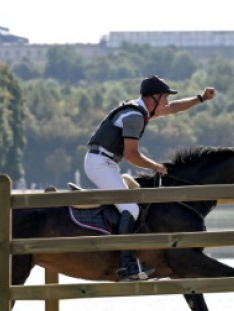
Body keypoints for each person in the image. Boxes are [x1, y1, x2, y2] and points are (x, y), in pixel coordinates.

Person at [84, 75, 216, 281]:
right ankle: (125, 265)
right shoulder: (135, 117)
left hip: (104, 162)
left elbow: (173, 109)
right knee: (131, 209)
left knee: (131, 205)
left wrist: (200, 98)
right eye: (164, 97)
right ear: (153, 98)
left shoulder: (139, 111)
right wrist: (156, 166)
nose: (166, 102)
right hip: (99, 164)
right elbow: (131, 154)